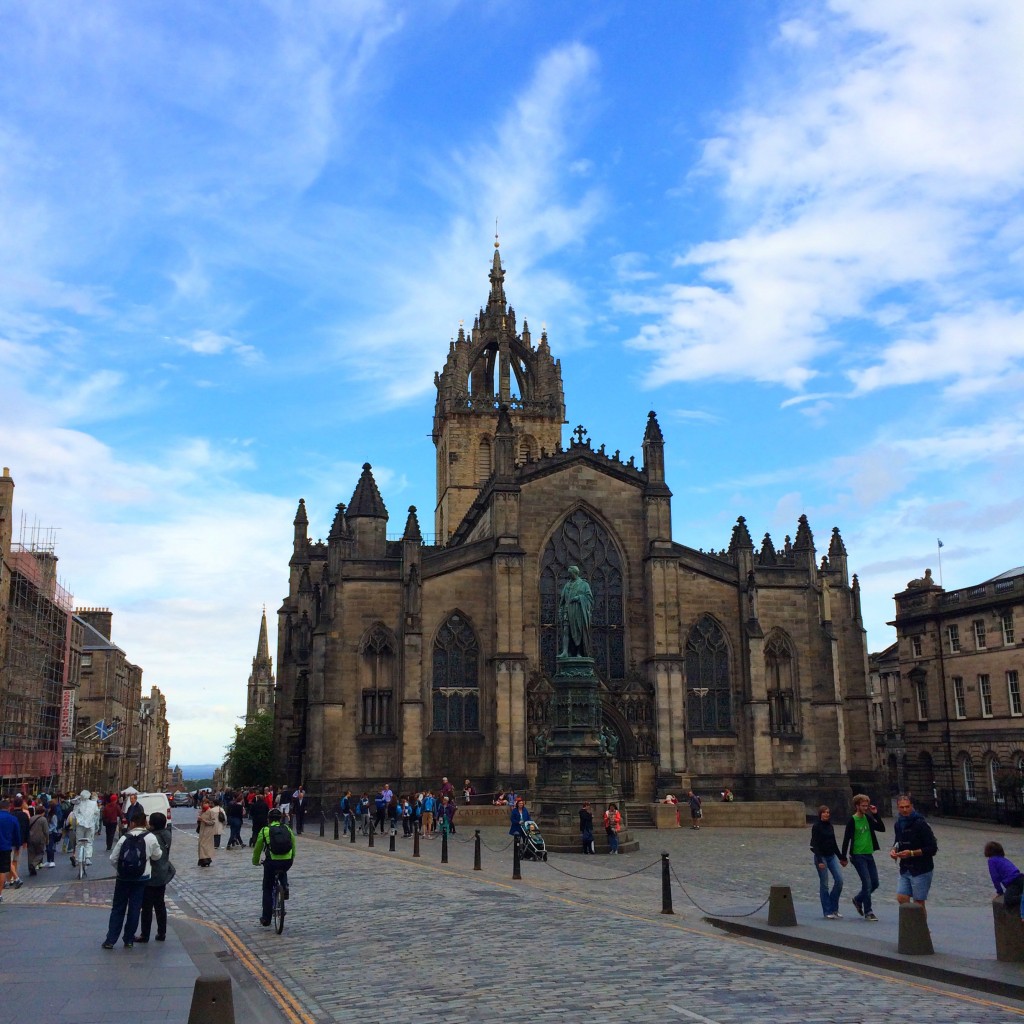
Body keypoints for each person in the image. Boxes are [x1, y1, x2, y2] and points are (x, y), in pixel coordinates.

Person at [102, 812, 162, 949]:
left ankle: (110, 940)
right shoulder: (151, 838)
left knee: (118, 908)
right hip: (141, 878)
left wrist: (121, 869)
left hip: (123, 878)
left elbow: (113, 859)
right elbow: (157, 856)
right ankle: (128, 939)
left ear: (133, 823)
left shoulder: (124, 838)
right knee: (135, 908)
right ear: (144, 823)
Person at [890, 794, 938, 915]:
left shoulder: (921, 823)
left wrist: (911, 853)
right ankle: (913, 925)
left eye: (907, 807)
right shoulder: (898, 824)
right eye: (901, 807)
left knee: (919, 903)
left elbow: (932, 848)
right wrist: (894, 850)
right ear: (898, 808)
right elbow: (897, 841)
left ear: (912, 806)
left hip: (921, 868)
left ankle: (922, 930)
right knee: (901, 897)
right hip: (905, 868)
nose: (905, 810)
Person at [841, 793, 886, 922]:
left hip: (868, 854)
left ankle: (858, 899)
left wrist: (876, 814)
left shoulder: (868, 818)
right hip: (857, 855)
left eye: (867, 805)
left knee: (875, 883)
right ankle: (869, 912)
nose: (865, 808)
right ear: (857, 806)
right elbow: (846, 839)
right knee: (867, 883)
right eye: (863, 805)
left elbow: (882, 828)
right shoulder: (852, 820)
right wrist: (843, 857)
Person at [135, 810, 175, 942]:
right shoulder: (167, 834)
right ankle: (161, 932)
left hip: (152, 874)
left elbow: (149, 855)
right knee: (160, 905)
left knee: (146, 906)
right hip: (163, 873)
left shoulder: (152, 837)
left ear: (152, 824)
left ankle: (145, 934)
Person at [252, 808, 295, 927]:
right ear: (280, 818)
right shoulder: (287, 829)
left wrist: (255, 861)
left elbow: (257, 849)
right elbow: (293, 845)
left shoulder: (265, 830)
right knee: (283, 870)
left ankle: (266, 918)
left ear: (269, 819)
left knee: (267, 888)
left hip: (272, 862)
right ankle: (285, 886)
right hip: (287, 860)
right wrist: (292, 858)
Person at [810, 805, 846, 919]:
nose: (827, 814)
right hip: (821, 857)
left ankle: (834, 907)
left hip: (831, 856)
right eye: (824, 812)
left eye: (828, 812)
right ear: (820, 814)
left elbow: (834, 843)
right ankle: (827, 910)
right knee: (824, 884)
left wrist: (841, 857)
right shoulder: (816, 826)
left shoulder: (830, 826)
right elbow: (815, 844)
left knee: (839, 880)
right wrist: (820, 860)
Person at [559, 564, 594, 658]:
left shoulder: (584, 584)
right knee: (566, 630)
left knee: (579, 632)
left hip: (578, 612)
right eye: (569, 574)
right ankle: (565, 651)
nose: (569, 576)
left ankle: (579, 653)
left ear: (576, 573)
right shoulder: (567, 585)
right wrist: (561, 610)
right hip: (567, 610)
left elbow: (589, 598)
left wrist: (579, 598)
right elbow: (562, 600)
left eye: (571, 574)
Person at [984, 840, 1023, 912]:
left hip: (1013, 882)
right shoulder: (1004, 859)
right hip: (1020, 878)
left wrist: (1000, 892)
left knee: (1008, 900)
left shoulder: (992, 861)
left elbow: (995, 878)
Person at [70, 789, 100, 870]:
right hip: (90, 825)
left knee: (79, 842)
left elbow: (73, 817)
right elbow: (97, 815)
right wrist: (97, 826)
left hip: (80, 825)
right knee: (89, 841)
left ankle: (77, 858)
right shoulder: (94, 804)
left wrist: (73, 827)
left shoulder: (78, 804)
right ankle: (87, 858)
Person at [0, 798, 23, 901]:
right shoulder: (12, 818)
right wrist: (18, 846)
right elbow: (17, 834)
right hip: (5, 846)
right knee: (2, 870)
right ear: (9, 807)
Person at [196, 800, 218, 867]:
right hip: (202, 830)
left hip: (208, 831)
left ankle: (206, 859)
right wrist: (199, 819)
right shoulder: (202, 811)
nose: (203, 805)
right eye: (202, 804)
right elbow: (199, 822)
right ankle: (202, 859)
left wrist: (204, 820)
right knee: (201, 844)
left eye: (205, 803)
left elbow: (213, 822)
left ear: (208, 804)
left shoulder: (211, 811)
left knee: (205, 845)